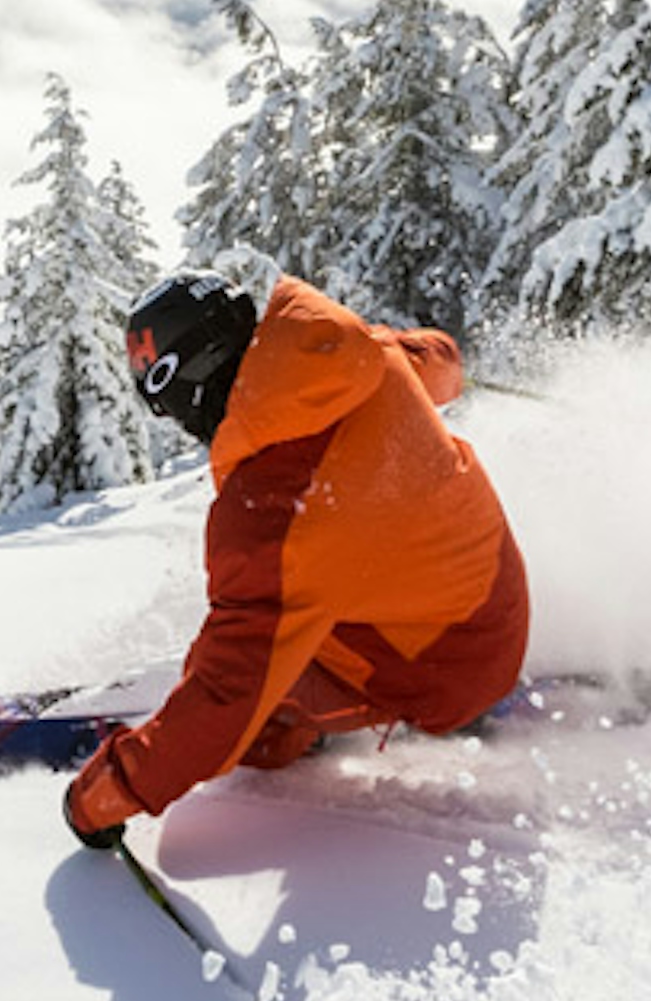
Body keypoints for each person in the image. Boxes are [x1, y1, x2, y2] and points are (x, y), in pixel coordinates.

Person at [63, 269, 530, 848]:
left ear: (189, 379)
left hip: (443, 678)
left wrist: (111, 792)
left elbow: (230, 694)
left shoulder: (271, 505)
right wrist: (447, 364)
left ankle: (308, 724)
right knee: (277, 608)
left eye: (164, 400)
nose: (177, 424)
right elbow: (437, 357)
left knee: (259, 707)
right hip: (488, 600)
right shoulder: (354, 355)